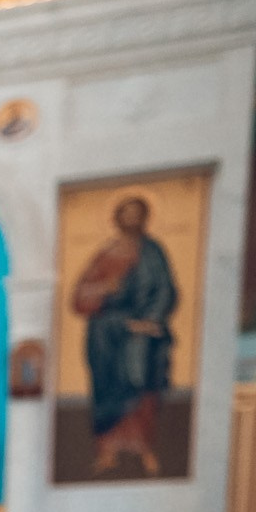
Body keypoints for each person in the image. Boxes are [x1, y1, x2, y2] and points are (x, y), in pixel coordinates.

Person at [70, 193, 178, 476]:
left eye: (137, 213)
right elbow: (79, 298)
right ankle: (107, 451)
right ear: (117, 218)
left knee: (143, 387)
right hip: (107, 334)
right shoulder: (107, 254)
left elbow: (167, 290)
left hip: (143, 333)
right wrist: (106, 289)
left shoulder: (153, 252)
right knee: (106, 389)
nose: (131, 219)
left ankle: (143, 447)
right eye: (126, 213)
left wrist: (150, 319)